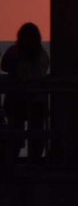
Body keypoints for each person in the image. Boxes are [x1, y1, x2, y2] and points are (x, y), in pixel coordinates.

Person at [1, 22, 50, 159]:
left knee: (15, 133)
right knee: (37, 133)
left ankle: (12, 161)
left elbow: (4, 66)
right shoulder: (42, 54)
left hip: (17, 99)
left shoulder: (15, 51)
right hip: (38, 100)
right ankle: (35, 161)